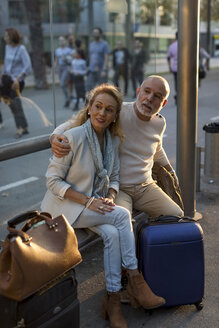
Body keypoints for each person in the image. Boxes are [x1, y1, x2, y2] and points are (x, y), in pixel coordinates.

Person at [41, 83, 166, 328]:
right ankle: (135, 279)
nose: (102, 113)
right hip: (63, 208)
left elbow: (115, 178)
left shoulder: (111, 141)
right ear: (89, 108)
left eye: (109, 110)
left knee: (111, 233)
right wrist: (89, 201)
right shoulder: (72, 137)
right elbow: (52, 181)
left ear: (114, 116)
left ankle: (113, 301)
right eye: (97, 106)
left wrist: (109, 194)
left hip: (91, 207)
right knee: (121, 218)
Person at [50, 75, 183, 220]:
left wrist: (170, 170)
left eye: (157, 96)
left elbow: (156, 148)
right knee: (124, 223)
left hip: (146, 187)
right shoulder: (117, 112)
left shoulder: (159, 123)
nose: (150, 98)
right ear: (139, 91)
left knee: (176, 216)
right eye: (147, 91)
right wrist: (54, 136)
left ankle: (150, 241)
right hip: (118, 189)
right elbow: (74, 122)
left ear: (163, 104)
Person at [2, 28, 32, 138]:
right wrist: (2, 76)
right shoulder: (7, 47)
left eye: (6, 36)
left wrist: (18, 78)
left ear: (12, 37)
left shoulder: (21, 49)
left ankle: (20, 127)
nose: (5, 38)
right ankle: (24, 126)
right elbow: (6, 64)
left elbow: (28, 67)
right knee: (11, 103)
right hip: (7, 79)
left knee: (15, 103)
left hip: (17, 82)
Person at [86, 27, 110, 92]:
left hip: (101, 70)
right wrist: (88, 66)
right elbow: (91, 57)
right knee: (88, 86)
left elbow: (106, 57)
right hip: (92, 70)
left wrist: (104, 70)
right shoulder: (91, 45)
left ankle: (104, 101)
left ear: (100, 34)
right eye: (94, 33)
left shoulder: (105, 44)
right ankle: (91, 101)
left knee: (103, 89)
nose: (95, 34)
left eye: (96, 33)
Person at [55, 36, 75, 108]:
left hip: (67, 67)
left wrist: (66, 58)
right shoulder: (57, 50)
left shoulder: (69, 50)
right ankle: (67, 98)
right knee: (63, 85)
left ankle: (68, 98)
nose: (61, 42)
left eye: (63, 40)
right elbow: (56, 59)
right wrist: (55, 67)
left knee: (62, 84)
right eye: (60, 41)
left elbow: (73, 58)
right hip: (60, 68)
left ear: (65, 41)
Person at [167, 31, 178, 104]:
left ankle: (178, 94)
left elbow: (168, 58)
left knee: (177, 83)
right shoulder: (186, 44)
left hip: (175, 68)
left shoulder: (172, 46)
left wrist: (169, 67)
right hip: (185, 69)